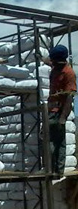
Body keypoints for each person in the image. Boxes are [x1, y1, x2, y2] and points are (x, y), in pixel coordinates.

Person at [46, 44, 76, 175]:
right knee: (49, 141)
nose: (52, 63)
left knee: (58, 143)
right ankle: (51, 168)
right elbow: (47, 61)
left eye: (53, 61)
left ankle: (57, 170)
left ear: (60, 61)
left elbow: (69, 97)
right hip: (50, 111)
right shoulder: (56, 67)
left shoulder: (68, 74)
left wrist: (63, 118)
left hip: (59, 112)